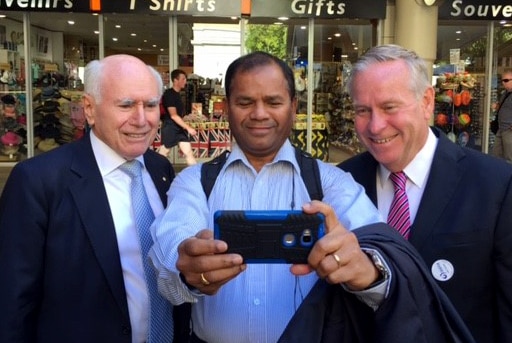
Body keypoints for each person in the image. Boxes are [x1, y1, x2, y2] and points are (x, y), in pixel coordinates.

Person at [148, 51, 474, 343]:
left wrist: (365, 267)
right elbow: (170, 250)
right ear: (227, 106)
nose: (259, 113)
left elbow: (381, 248)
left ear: (294, 107)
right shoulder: (194, 182)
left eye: (273, 102)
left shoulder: (331, 182)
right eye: (245, 102)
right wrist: (187, 270)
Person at [338, 44, 512, 343]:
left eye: (389, 107)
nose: (376, 126)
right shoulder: (342, 182)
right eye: (362, 110)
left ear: (427, 101)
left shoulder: (496, 184)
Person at [0, 54, 176, 343]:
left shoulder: (161, 170)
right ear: (90, 109)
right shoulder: (38, 181)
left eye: (151, 105)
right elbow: (12, 302)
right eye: (126, 105)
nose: (142, 119)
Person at [158, 69, 197, 165]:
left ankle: (196, 175)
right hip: (170, 127)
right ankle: (154, 173)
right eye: (183, 79)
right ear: (175, 80)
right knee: (163, 153)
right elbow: (174, 116)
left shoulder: (177, 95)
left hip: (178, 128)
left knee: (188, 152)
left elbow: (177, 115)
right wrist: (188, 128)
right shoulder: (169, 94)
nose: (185, 81)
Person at [492, 69, 512, 162]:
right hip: (501, 128)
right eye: (502, 80)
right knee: (496, 155)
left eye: (506, 80)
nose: (504, 83)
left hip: (509, 130)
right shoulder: (505, 93)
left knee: (509, 157)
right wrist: (497, 107)